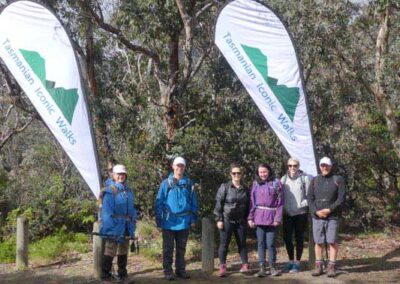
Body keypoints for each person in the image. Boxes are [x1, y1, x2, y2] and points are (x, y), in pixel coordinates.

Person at [155, 157, 198, 281]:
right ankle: (168, 271)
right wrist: (159, 219)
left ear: (184, 168)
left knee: (181, 248)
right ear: (173, 167)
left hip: (184, 221)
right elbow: (159, 202)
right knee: (168, 248)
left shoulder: (189, 184)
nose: (180, 168)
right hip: (168, 221)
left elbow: (193, 202)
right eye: (177, 166)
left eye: (182, 166)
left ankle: (180, 270)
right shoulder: (165, 183)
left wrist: (193, 219)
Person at [307, 157, 346, 278]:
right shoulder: (315, 180)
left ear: (331, 166)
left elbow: (341, 198)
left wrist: (329, 209)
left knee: (332, 241)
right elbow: (309, 198)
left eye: (327, 165)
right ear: (319, 166)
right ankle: (319, 265)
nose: (324, 168)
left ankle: (331, 266)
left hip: (333, 216)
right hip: (317, 216)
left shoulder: (338, 179)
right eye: (322, 165)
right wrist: (315, 211)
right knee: (318, 241)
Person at [99, 164, 137, 284]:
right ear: (114, 175)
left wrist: (133, 224)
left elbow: (132, 210)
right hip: (114, 227)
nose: (121, 176)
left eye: (123, 174)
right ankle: (105, 277)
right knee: (110, 251)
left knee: (123, 250)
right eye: (118, 174)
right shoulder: (110, 191)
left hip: (126, 226)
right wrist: (110, 230)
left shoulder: (129, 191)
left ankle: (123, 275)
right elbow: (106, 213)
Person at [213, 163, 250, 277]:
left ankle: (245, 265)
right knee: (224, 244)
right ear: (231, 174)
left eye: (238, 173)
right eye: (234, 173)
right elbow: (218, 203)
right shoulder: (225, 187)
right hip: (227, 220)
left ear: (241, 174)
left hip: (241, 221)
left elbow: (249, 205)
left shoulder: (245, 188)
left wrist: (248, 218)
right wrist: (219, 219)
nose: (236, 175)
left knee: (242, 244)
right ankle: (223, 266)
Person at [248, 163, 284, 277]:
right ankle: (262, 268)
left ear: (269, 171)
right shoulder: (255, 184)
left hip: (272, 218)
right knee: (261, 243)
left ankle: (272, 267)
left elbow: (280, 202)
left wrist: (278, 218)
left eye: (265, 171)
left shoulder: (276, 183)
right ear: (258, 173)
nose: (263, 174)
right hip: (259, 218)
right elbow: (252, 202)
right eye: (261, 172)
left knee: (271, 244)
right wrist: (250, 217)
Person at [281, 157, 311, 273]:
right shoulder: (283, 179)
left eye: (295, 165)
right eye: (290, 165)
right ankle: (290, 261)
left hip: (301, 213)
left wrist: (302, 204)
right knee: (287, 238)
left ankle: (297, 263)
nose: (292, 168)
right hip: (287, 214)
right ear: (287, 166)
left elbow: (310, 196)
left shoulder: (304, 179)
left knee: (299, 238)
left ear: (298, 166)